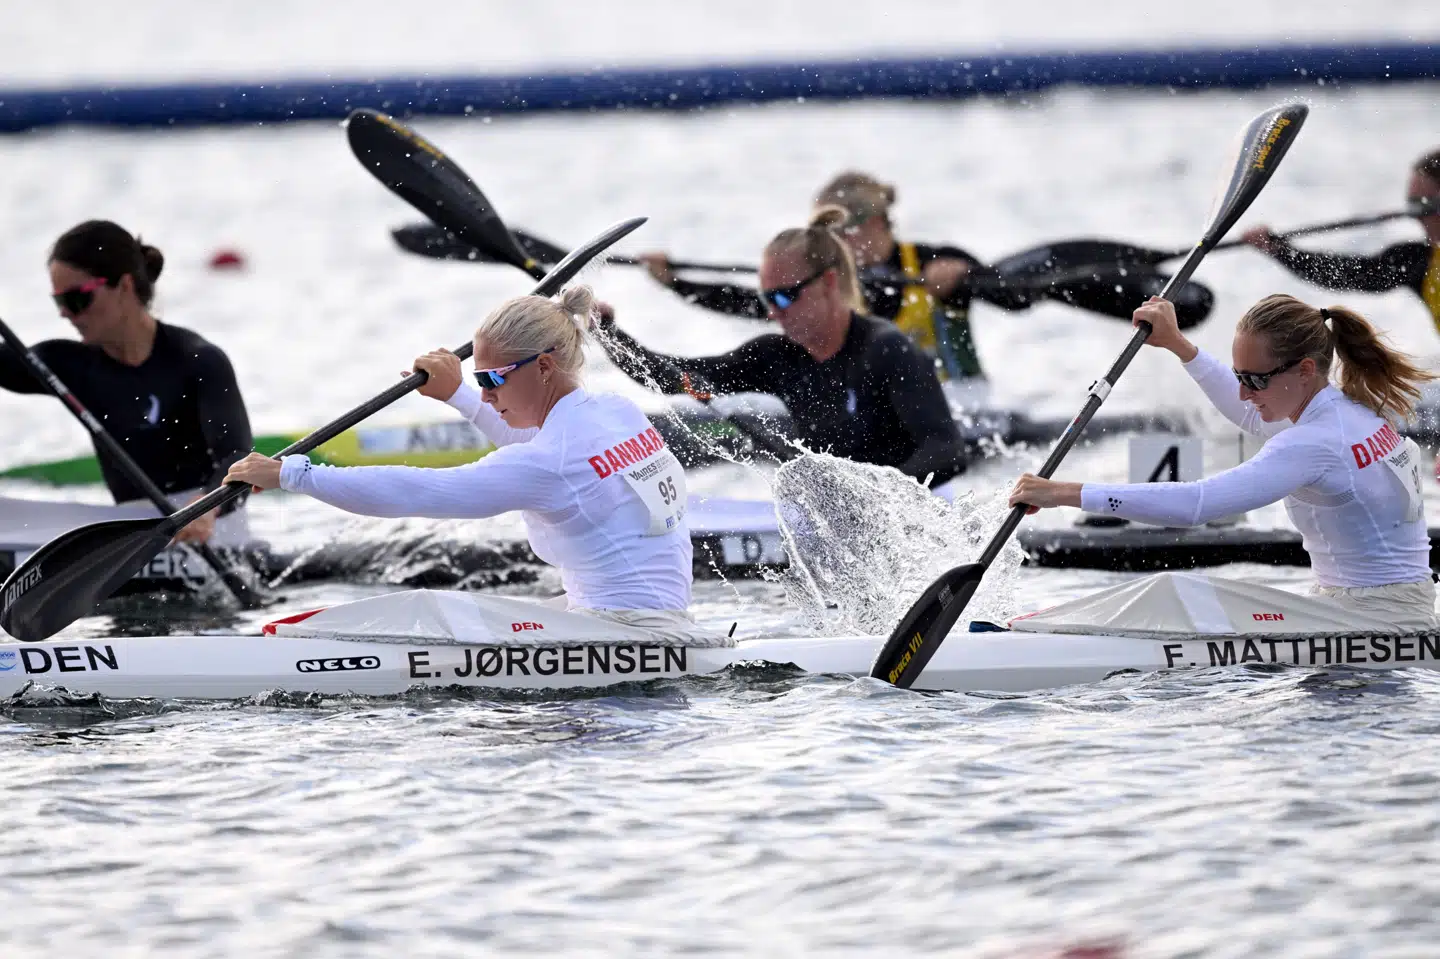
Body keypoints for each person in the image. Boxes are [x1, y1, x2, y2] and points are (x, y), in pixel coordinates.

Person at [226, 287, 707, 638]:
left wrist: (292, 473)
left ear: (543, 366)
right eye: (477, 379)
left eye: (492, 378)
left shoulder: (551, 462)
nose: (486, 394)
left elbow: (415, 492)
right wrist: (456, 394)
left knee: (423, 613)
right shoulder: (614, 413)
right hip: (656, 622)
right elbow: (533, 451)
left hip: (627, 633)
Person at [1009, 294, 1437, 628]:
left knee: (1168, 594)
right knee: (1176, 595)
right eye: (1239, 377)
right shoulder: (1351, 411)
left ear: (1305, 370)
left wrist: (1062, 494)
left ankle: (1032, 635)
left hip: (1372, 623)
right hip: (1393, 609)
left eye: (1254, 380)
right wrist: (1179, 345)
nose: (1245, 393)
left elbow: (1199, 504)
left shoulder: (1311, 443)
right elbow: (1250, 413)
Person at [602, 213, 969, 489]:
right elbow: (673, 377)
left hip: (915, 510)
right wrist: (606, 333)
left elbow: (947, 451)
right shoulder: (774, 357)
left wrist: (875, 498)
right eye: (766, 298)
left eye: (785, 296)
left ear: (828, 282)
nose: (774, 311)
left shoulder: (887, 349)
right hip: (844, 519)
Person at [638, 172, 1029, 383]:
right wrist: (677, 283)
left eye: (835, 232)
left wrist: (966, 277)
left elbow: (1016, 297)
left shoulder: (933, 261)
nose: (826, 243)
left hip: (964, 404)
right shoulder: (831, 283)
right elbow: (757, 305)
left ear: (875, 223)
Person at [0, 220, 252, 545]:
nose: (66, 315)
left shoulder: (198, 360)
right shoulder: (68, 365)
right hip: (132, 531)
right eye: (59, 303)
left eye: (76, 299)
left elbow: (238, 457)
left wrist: (208, 506)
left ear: (124, 286)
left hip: (212, 530)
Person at [1243, 149, 1440, 332]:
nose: (1416, 215)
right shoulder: (1418, 261)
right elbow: (1345, 273)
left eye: (1424, 204)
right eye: (1412, 204)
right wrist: (1279, 250)